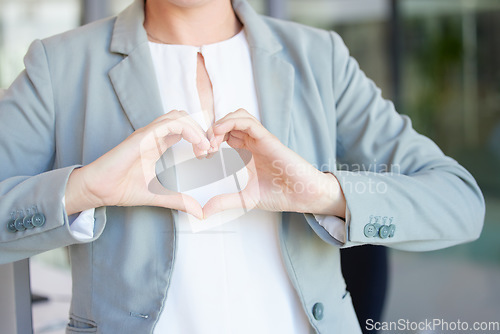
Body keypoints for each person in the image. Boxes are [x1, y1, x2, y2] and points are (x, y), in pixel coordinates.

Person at [0, 0, 485, 332]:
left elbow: (458, 200)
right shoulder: (58, 68)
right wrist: (81, 190)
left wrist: (322, 193)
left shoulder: (320, 59)